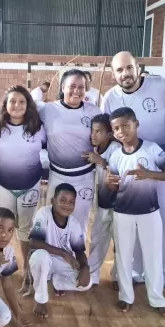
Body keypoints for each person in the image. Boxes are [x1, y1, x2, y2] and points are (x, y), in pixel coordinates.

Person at [100, 51, 165, 291]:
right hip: (128, 162)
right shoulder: (110, 97)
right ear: (114, 74)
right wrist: (107, 164)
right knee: (130, 216)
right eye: (120, 70)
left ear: (138, 68)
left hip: (161, 158)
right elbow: (107, 135)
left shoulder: (161, 86)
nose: (125, 74)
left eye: (129, 68)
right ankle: (133, 273)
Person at [104, 107, 165, 316]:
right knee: (124, 256)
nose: (121, 131)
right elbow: (114, 188)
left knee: (153, 255)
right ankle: (126, 296)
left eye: (125, 125)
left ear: (136, 124)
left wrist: (148, 174)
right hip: (122, 213)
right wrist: (110, 183)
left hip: (149, 212)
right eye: (116, 128)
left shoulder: (152, 149)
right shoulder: (115, 156)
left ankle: (157, 298)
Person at [0, 85, 46, 292]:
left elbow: (48, 149)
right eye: (12, 101)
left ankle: (27, 272)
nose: (17, 105)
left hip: (29, 186)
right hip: (4, 185)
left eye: (22, 101)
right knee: (1, 227)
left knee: (25, 230)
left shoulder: (38, 127)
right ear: (5, 104)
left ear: (28, 105)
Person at [40, 69, 103, 237]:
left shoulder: (94, 112)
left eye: (81, 87)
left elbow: (105, 139)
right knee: (53, 222)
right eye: (72, 86)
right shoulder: (47, 110)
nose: (77, 91)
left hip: (84, 177)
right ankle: (54, 259)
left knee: (80, 222)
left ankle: (76, 259)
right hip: (58, 175)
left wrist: (100, 158)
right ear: (62, 87)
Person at [28, 183, 93, 318]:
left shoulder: (74, 223)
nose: (66, 205)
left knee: (87, 283)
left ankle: (54, 281)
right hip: (43, 256)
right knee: (41, 257)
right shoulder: (44, 213)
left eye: (71, 202)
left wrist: (85, 268)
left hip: (61, 260)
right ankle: (40, 299)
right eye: (62, 200)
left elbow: (79, 251)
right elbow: (34, 242)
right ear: (53, 201)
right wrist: (63, 253)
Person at [84, 113, 121, 285]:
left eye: (99, 131)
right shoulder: (96, 148)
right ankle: (93, 276)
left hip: (119, 205)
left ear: (109, 134)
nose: (93, 134)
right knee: (97, 239)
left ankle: (119, 277)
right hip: (102, 204)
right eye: (92, 130)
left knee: (120, 243)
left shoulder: (116, 149)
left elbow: (121, 173)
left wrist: (101, 161)